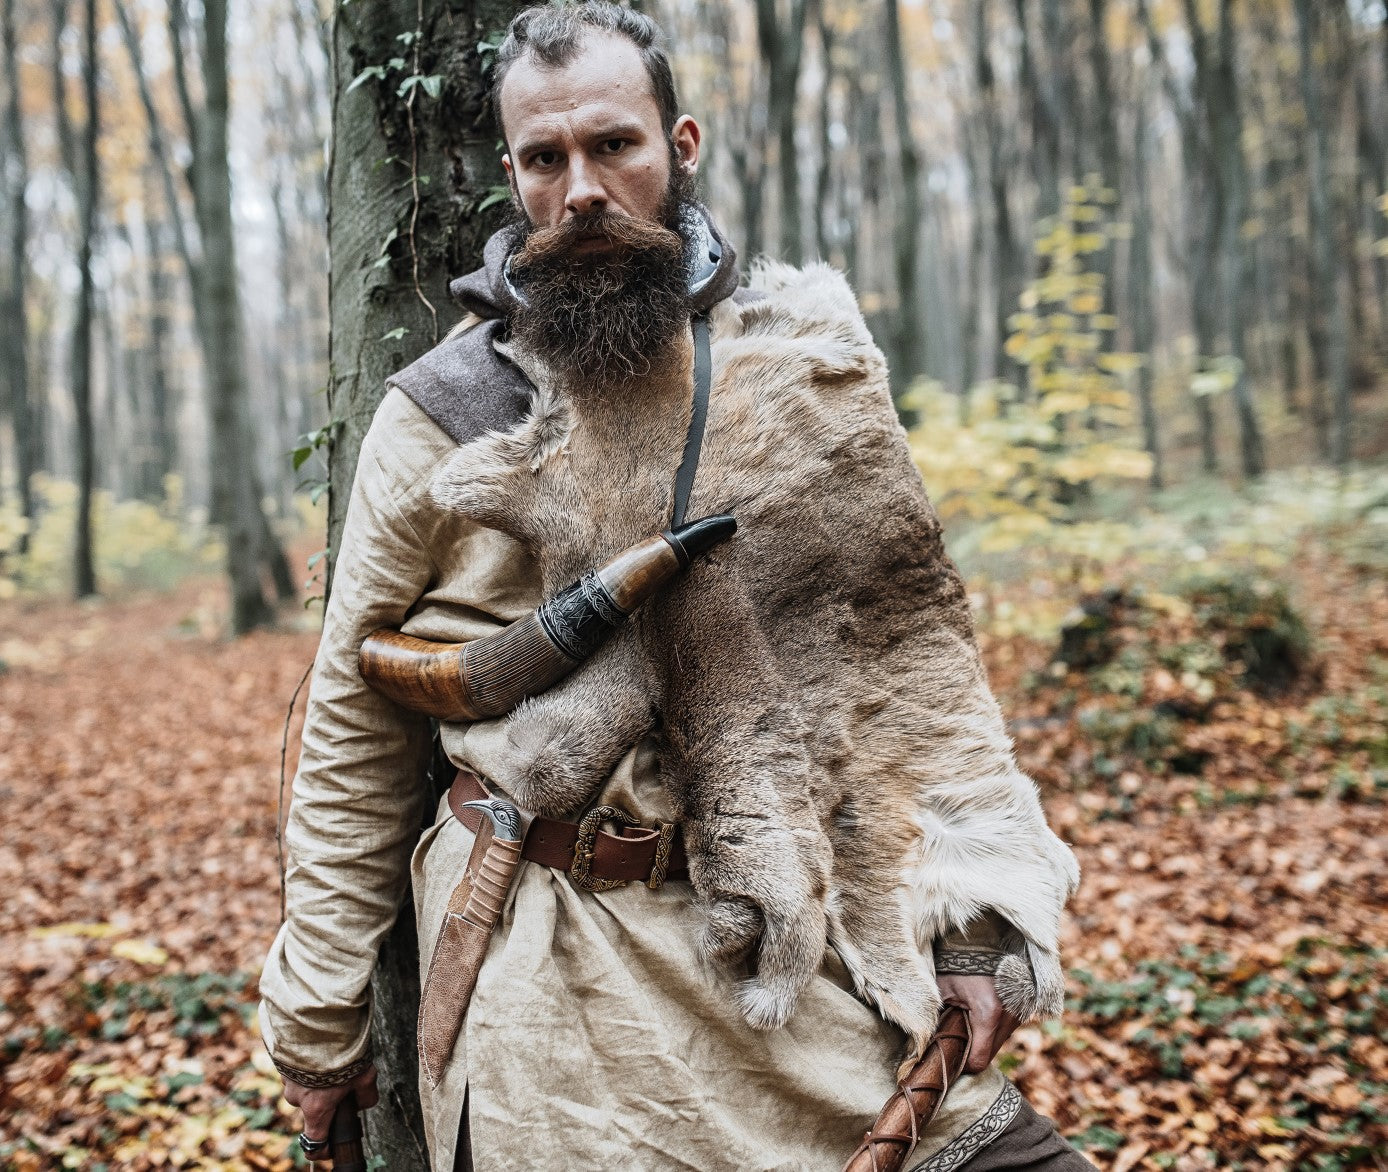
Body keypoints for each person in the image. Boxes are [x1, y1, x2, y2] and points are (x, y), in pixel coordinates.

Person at [260, 5, 1096, 1169]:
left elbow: (915, 668)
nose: (584, 187)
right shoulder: (443, 414)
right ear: (512, 175)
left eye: (616, 145)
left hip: (793, 949)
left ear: (681, 144)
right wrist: (317, 1021)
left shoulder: (807, 367)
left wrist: (982, 917)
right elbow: (355, 735)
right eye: (546, 160)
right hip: (559, 975)